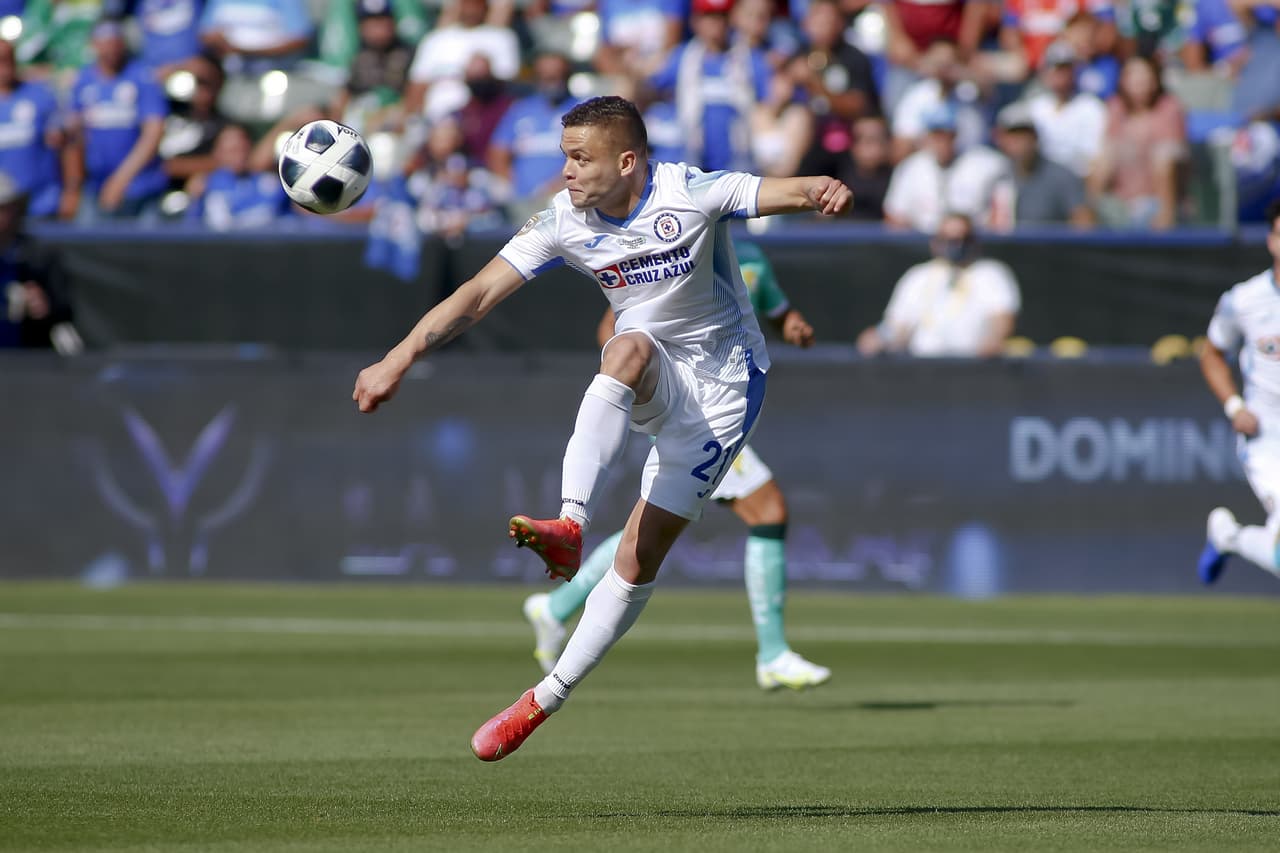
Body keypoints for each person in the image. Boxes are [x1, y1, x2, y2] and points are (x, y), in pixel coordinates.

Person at [351, 96, 850, 761]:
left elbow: (775, 191)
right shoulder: (565, 221)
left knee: (638, 557)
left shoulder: (689, 192)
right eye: (564, 156)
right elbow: (475, 293)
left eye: (580, 158)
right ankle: (570, 522)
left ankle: (543, 697)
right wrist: (398, 356)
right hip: (654, 366)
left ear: (628, 160)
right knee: (625, 346)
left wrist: (819, 189)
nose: (567, 171)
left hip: (725, 393)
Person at [521, 240, 830, 691]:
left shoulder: (751, 255)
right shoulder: (677, 245)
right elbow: (614, 332)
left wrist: (794, 325)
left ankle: (557, 607)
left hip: (726, 407)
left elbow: (776, 313)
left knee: (656, 522)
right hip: (688, 412)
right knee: (767, 511)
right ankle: (772, 653)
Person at [1197, 199, 1280, 586]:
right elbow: (1212, 352)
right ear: (1271, 241)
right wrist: (1234, 406)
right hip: (1269, 436)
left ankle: (1228, 536)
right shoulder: (1244, 301)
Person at [857, 211, 1021, 357]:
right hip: (922, 370)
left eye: (963, 239)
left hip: (973, 368)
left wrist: (993, 341)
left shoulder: (991, 273)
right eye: (948, 239)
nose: (957, 246)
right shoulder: (917, 276)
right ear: (935, 242)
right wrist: (879, 337)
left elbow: (1002, 320)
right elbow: (898, 325)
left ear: (974, 241)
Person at [66, 19, 169, 220]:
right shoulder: (83, 80)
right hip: (95, 187)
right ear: (94, 45)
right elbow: (75, 136)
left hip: (141, 188)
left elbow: (153, 132)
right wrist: (73, 186)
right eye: (104, 44)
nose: (109, 51)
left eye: (114, 43)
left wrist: (121, 180)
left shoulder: (141, 77)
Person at [1087, 54, 1186, 230]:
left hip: (1155, 201)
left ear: (1155, 80)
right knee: (1099, 165)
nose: (1139, 81)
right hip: (1121, 201)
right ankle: (1086, 224)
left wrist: (1164, 213)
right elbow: (1108, 154)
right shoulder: (1116, 107)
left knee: (1163, 161)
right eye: (1133, 75)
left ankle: (1165, 225)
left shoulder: (1170, 107)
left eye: (1144, 75)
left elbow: (1169, 159)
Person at [883, 104, 1011, 232]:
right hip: (922, 245)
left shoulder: (984, 163)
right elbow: (894, 214)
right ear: (927, 136)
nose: (942, 141)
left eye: (948, 135)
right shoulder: (911, 167)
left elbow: (1001, 210)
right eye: (936, 134)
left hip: (971, 242)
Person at [0, 172, 80, 354]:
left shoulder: (38, 256)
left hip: (26, 359)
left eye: (4, 208)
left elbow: (64, 312)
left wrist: (44, 307)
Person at [993, 101, 1093, 227]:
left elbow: (1084, 224)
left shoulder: (1062, 177)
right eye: (1012, 135)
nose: (1019, 141)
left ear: (1035, 137)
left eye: (1024, 134)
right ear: (1001, 139)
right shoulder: (999, 176)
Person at [0, 38, 67, 219]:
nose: (5, 65)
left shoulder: (40, 95)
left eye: (8, 58)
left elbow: (65, 146)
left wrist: (72, 190)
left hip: (41, 203)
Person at [185, 123, 291, 230]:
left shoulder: (271, 184)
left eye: (242, 149)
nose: (239, 156)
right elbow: (191, 228)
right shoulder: (205, 186)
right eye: (232, 150)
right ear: (218, 153)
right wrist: (194, 199)